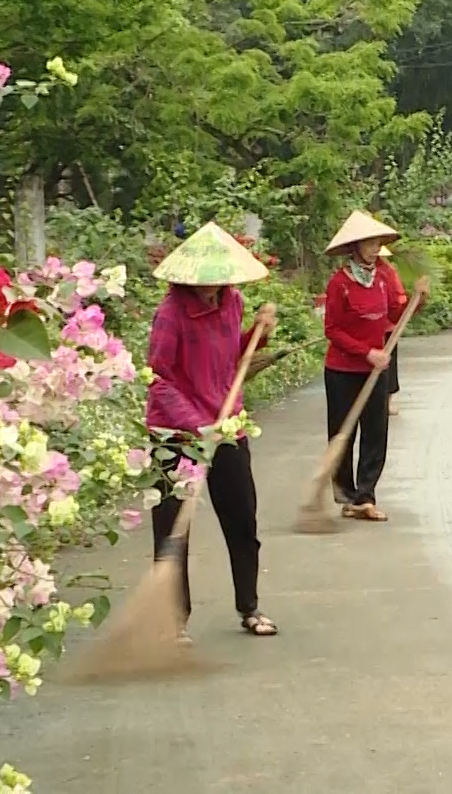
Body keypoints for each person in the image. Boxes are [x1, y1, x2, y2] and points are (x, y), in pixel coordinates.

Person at [146, 222, 279, 637]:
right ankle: (173, 620)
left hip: (228, 426)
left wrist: (257, 337)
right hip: (175, 434)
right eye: (211, 279)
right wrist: (198, 424)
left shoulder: (233, 301)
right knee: (173, 528)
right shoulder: (170, 313)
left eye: (224, 277)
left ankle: (250, 606)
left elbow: (229, 360)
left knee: (243, 519)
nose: (218, 285)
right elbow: (159, 376)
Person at [323, 211, 430, 522]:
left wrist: (417, 299)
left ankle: (365, 496)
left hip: (376, 368)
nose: (375, 248)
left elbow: (396, 314)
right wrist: (365, 352)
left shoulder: (383, 277)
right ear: (355, 247)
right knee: (342, 432)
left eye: (377, 242)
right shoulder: (339, 283)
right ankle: (346, 493)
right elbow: (332, 330)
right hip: (343, 370)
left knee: (376, 432)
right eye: (369, 243)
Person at [381, 246, 404, 416]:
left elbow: (398, 299)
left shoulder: (388, 272)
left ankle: (386, 404)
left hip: (388, 328)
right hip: (366, 333)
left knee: (389, 368)